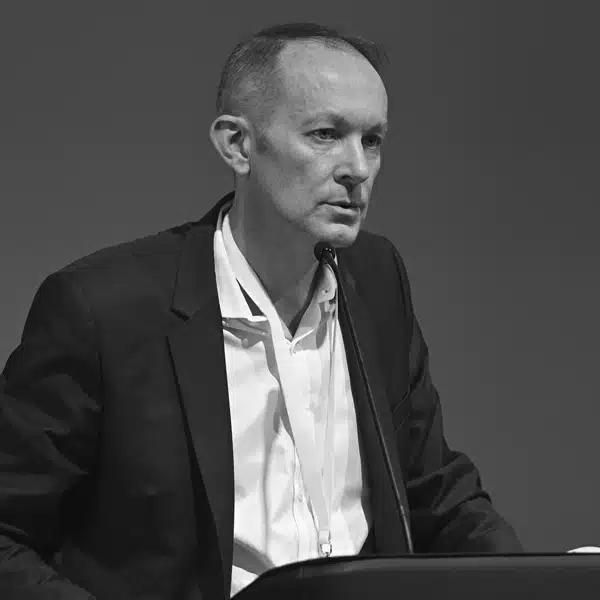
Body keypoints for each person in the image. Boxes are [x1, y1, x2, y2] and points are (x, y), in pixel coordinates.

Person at [0, 21, 522, 600]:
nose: (357, 167)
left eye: (372, 140)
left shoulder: (376, 278)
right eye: (326, 134)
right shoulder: (105, 309)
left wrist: (543, 582)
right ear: (237, 145)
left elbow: (433, 490)